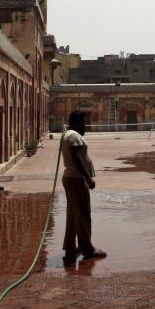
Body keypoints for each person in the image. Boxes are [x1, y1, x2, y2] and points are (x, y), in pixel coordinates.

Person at [60, 111, 106, 263]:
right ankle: (88, 249)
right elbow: (77, 158)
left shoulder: (68, 134)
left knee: (73, 215)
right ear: (76, 123)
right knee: (84, 214)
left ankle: (71, 248)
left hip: (70, 178)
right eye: (83, 123)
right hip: (77, 179)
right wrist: (88, 177)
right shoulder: (74, 136)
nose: (85, 126)